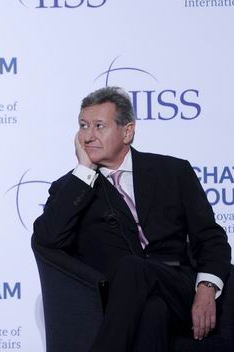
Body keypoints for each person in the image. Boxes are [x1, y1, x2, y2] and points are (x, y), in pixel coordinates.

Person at [33, 86, 231, 351]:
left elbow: (211, 237)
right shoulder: (71, 188)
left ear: (127, 132)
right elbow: (46, 239)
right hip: (118, 300)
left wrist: (206, 287)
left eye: (99, 126)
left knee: (133, 268)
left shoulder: (172, 171)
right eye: (83, 126)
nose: (88, 136)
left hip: (177, 287)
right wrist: (84, 172)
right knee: (152, 311)